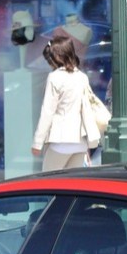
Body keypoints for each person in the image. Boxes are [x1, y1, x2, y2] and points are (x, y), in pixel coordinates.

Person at [31, 30, 101, 171]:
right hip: (80, 141)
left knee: (48, 182)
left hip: (61, 140)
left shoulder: (55, 77)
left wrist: (37, 143)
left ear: (57, 57)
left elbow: (47, 112)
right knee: (72, 187)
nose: (50, 63)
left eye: (50, 59)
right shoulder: (81, 77)